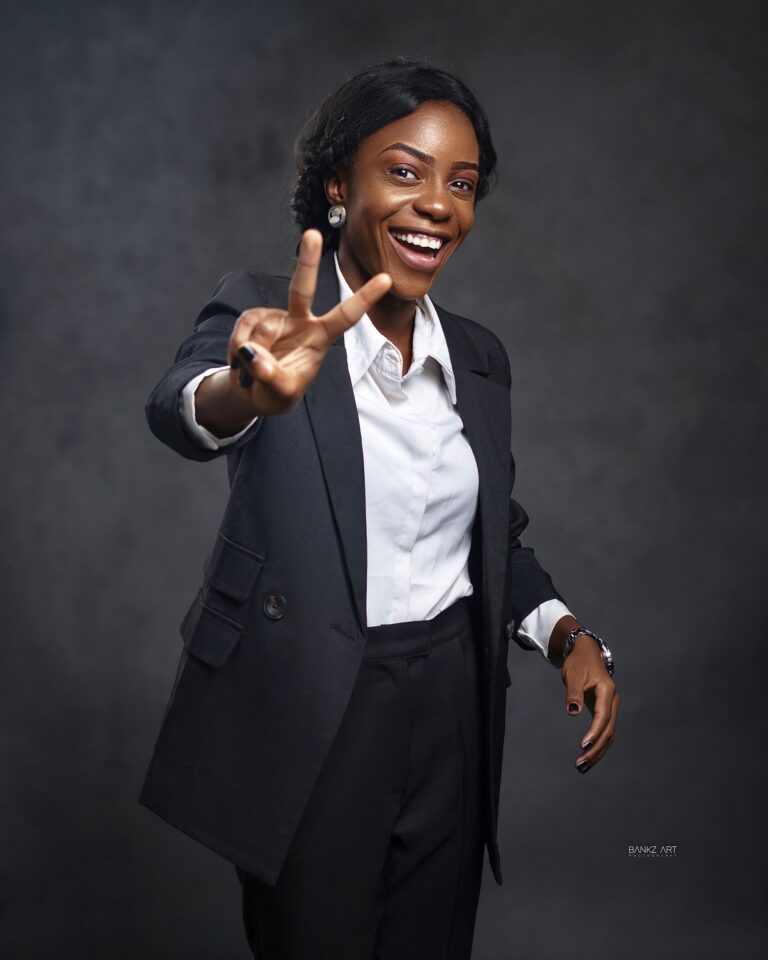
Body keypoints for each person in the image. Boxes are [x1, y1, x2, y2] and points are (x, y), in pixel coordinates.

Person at [139, 57, 621, 960]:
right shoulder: (266, 315)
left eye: (462, 184)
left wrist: (566, 633)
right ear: (337, 185)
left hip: (451, 703)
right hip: (314, 701)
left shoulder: (479, 358)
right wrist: (246, 389)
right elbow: (179, 405)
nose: (437, 204)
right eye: (405, 171)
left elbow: (493, 532)